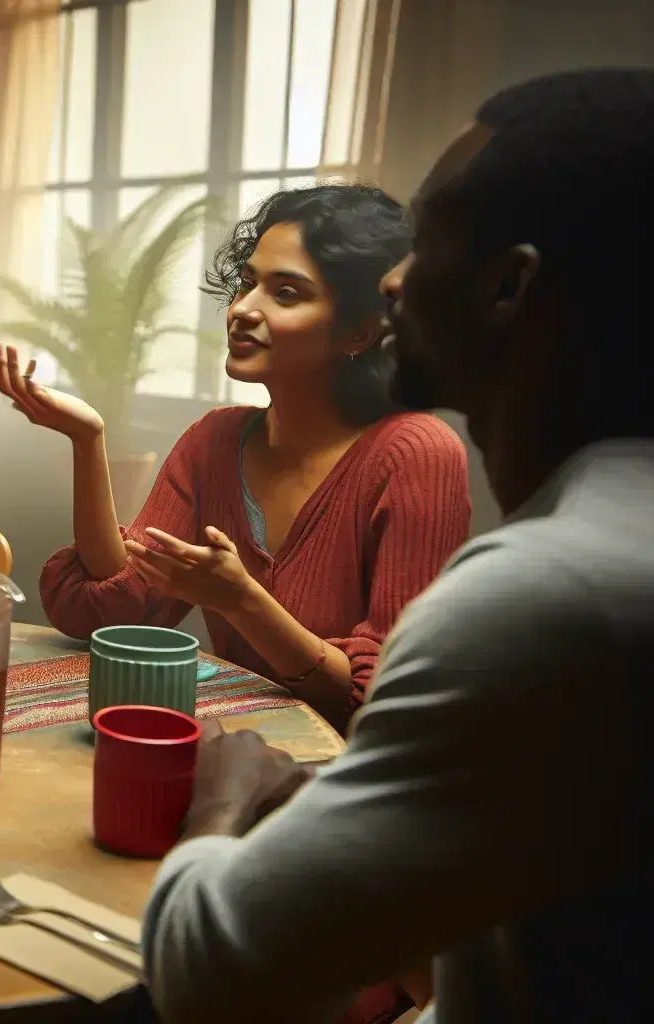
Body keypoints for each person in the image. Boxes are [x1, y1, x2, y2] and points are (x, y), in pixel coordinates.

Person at [142, 67, 654, 1024]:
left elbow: (216, 973)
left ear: (509, 287)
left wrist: (226, 798)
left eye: (436, 235)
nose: (391, 278)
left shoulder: (541, 596)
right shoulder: (598, 540)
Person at [0, 184, 471, 734]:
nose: (242, 309)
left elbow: (382, 704)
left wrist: (244, 601)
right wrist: (87, 440)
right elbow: (112, 610)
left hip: (347, 779)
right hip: (241, 746)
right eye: (247, 283)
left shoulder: (416, 455)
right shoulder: (215, 441)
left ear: (360, 332)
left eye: (286, 293)